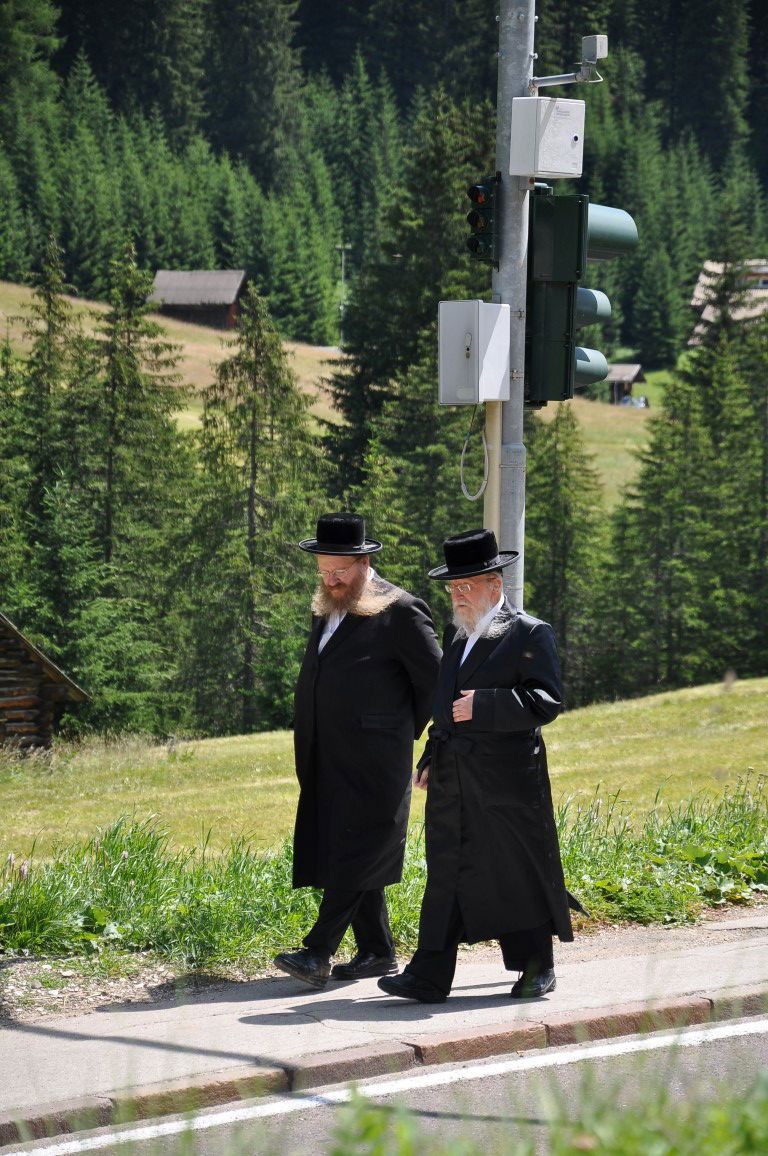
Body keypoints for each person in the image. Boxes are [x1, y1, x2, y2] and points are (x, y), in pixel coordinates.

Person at [378, 527, 583, 1004]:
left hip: (507, 779)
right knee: (446, 868)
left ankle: (537, 967)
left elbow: (546, 701)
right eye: (453, 587)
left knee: (512, 868)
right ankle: (428, 976)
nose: (458, 595)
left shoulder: (530, 632)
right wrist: (431, 754)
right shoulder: (457, 634)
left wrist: (488, 705)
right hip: (454, 776)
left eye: (466, 585)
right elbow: (444, 705)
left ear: (496, 583)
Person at [274, 512, 442, 989]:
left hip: (376, 760)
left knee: (357, 847)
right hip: (325, 755)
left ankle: (318, 950)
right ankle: (376, 951)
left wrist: (399, 731)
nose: (331, 579)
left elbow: (435, 681)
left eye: (340, 571)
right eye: (324, 570)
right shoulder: (326, 606)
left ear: (365, 561)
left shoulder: (402, 610)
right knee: (347, 844)